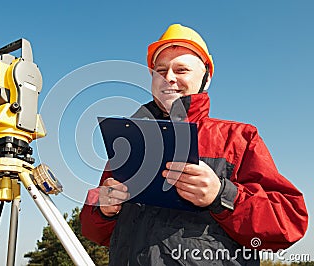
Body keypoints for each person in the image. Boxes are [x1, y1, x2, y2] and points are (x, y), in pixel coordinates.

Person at [79, 23, 308, 265]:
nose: (169, 78)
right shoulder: (129, 141)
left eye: (181, 69)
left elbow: (290, 223)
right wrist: (103, 208)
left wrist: (221, 195)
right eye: (160, 70)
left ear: (205, 79)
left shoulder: (239, 138)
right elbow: (94, 231)